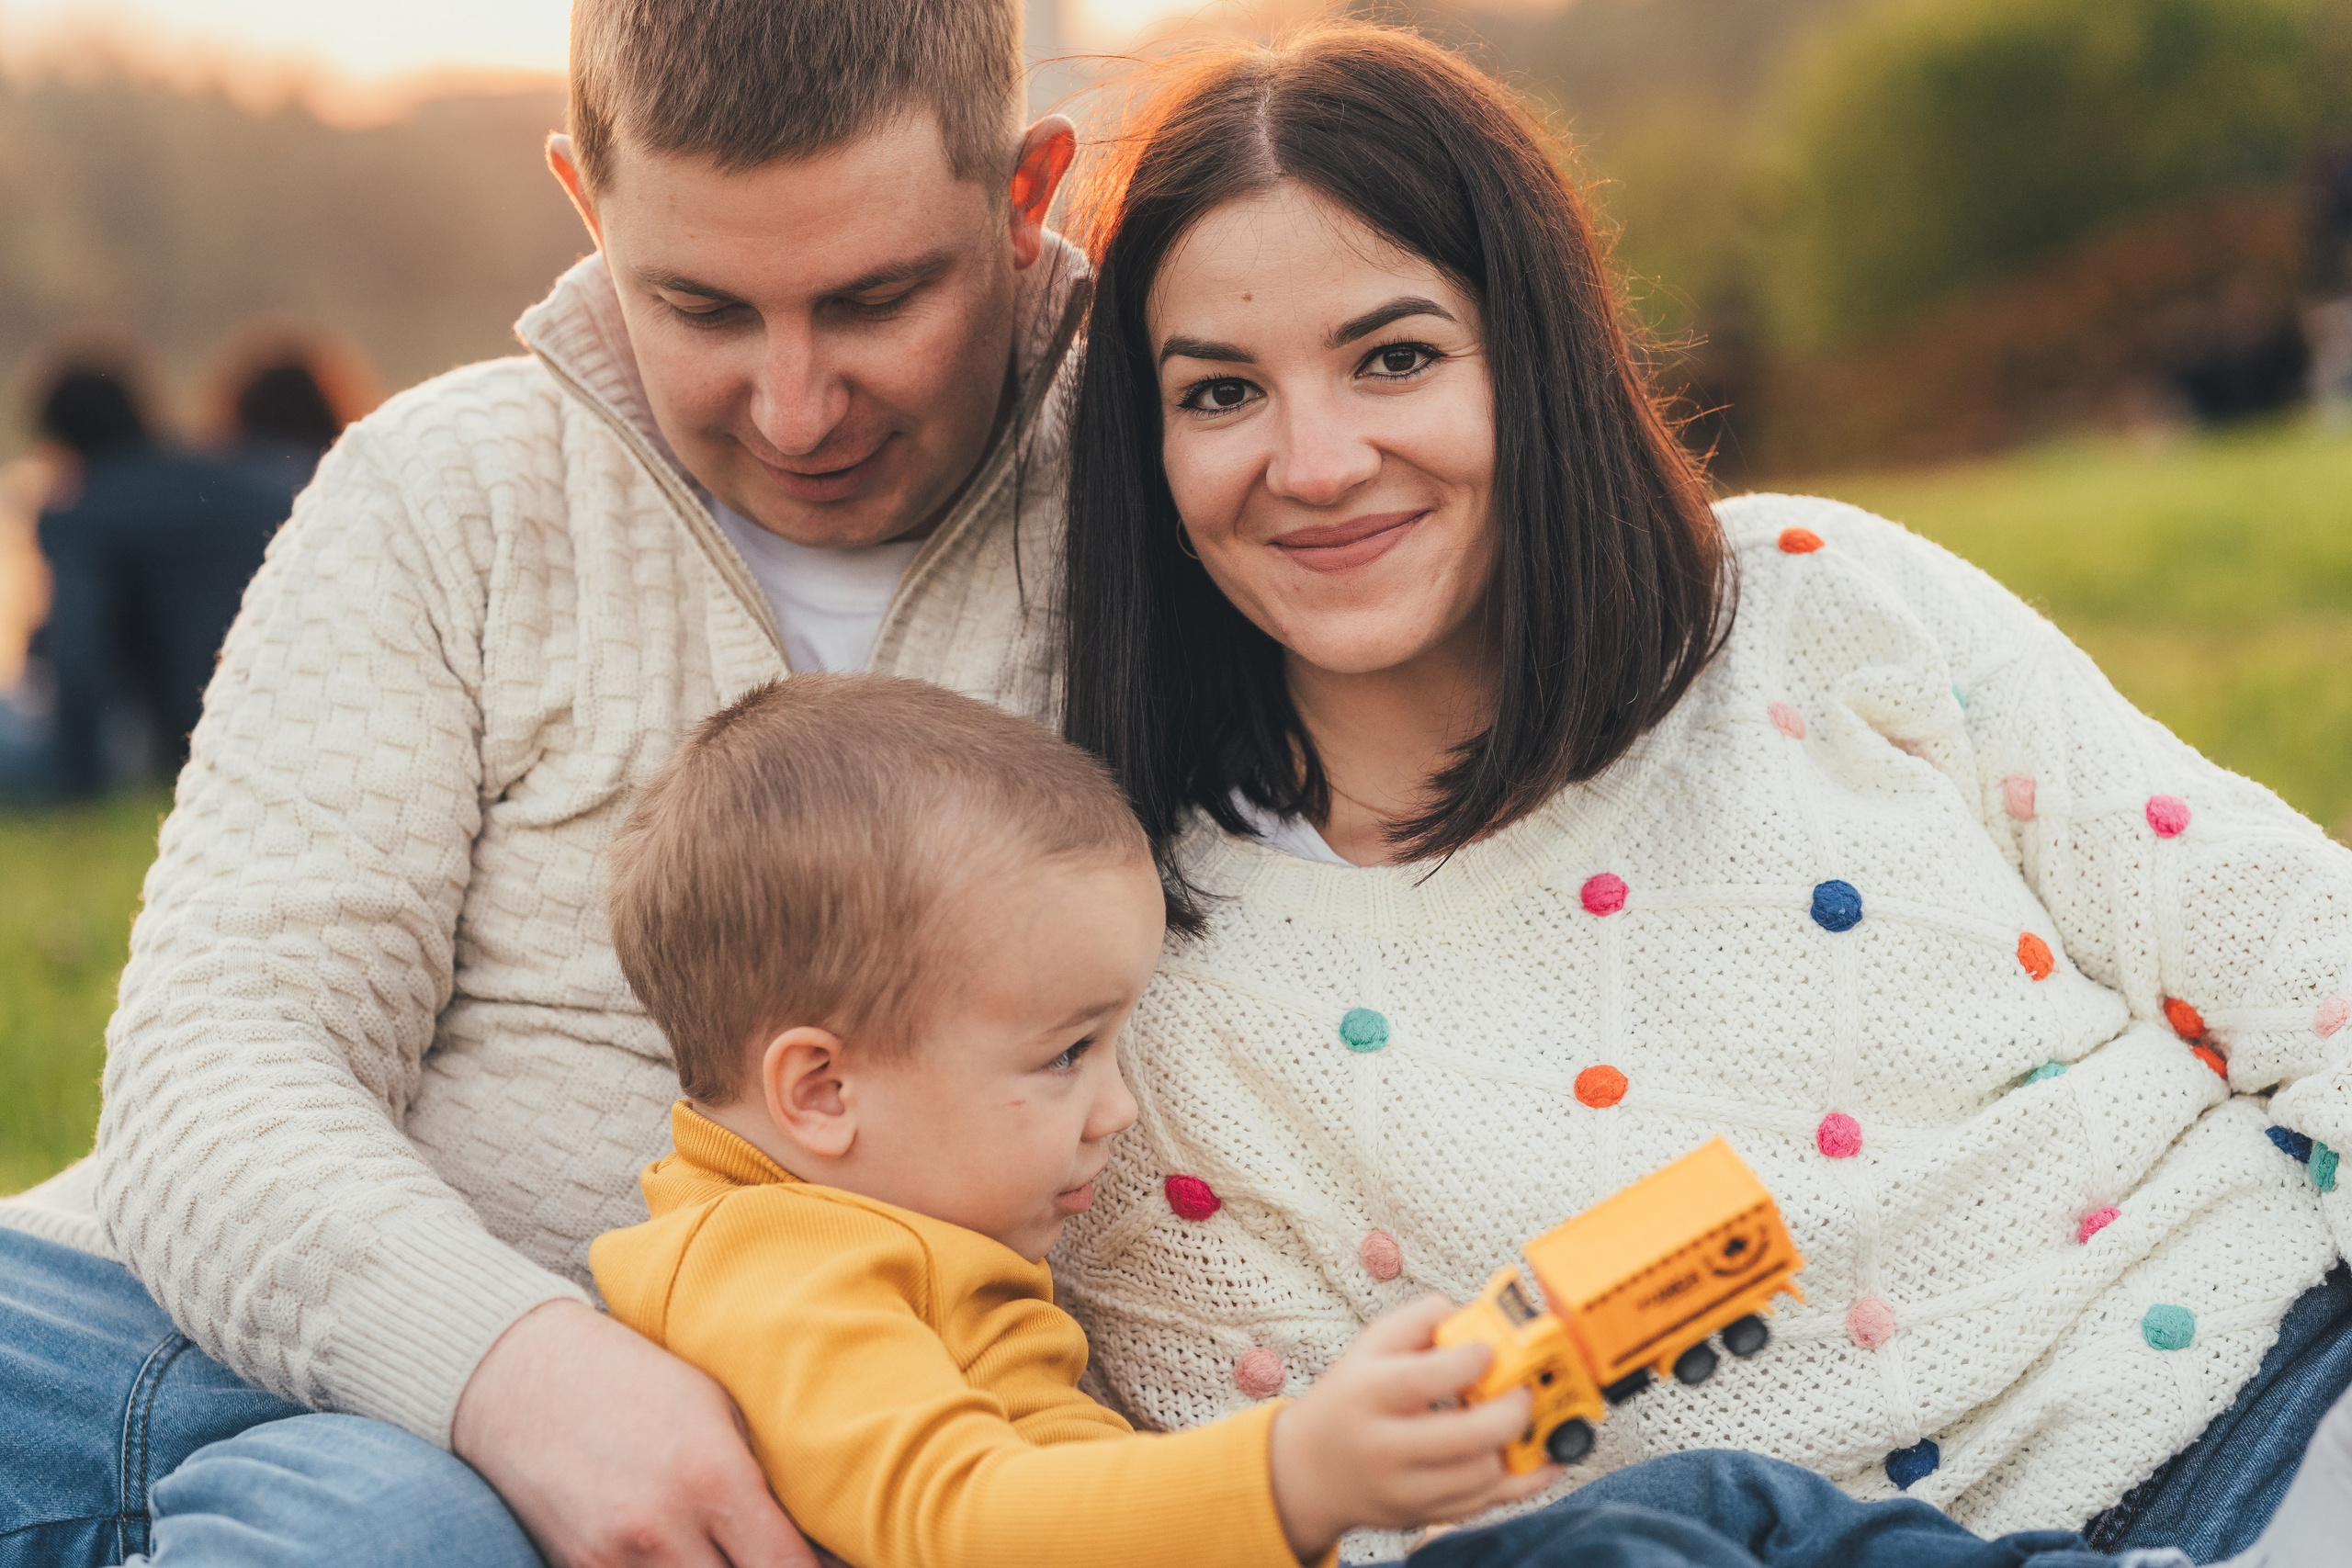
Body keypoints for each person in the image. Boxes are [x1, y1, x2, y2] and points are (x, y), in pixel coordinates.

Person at [1054, 24, 2352, 1565]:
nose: (1317, 460)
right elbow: (1348, 1524)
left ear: (1529, 360)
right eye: (1220, 395)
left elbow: (2302, 959)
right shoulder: (1156, 998)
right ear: (1146, 447)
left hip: (2286, 1403)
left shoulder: (1824, 605)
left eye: (1394, 355)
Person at [0, 0, 1083, 1562]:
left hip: (512, 1482)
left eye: (874, 299)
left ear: (1024, 195)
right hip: (161, 1313)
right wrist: (518, 1366)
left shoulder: (1182, 489)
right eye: (700, 307)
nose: (796, 408)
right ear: (585, 203)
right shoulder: (443, 486)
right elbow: (217, 1057)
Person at [591, 673, 2343, 1568]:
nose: (1117, 1108)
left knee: (1706, 1497)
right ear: (819, 1088)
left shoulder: (868, 1217)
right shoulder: (773, 1263)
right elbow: (967, 1526)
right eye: (1063, 1056)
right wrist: (1294, 1473)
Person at [26, 354, 288, 797]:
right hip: (284, 722)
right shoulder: (245, 479)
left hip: (179, 738)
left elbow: (78, 659)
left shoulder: (83, 510)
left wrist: (79, 783)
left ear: (61, 444)